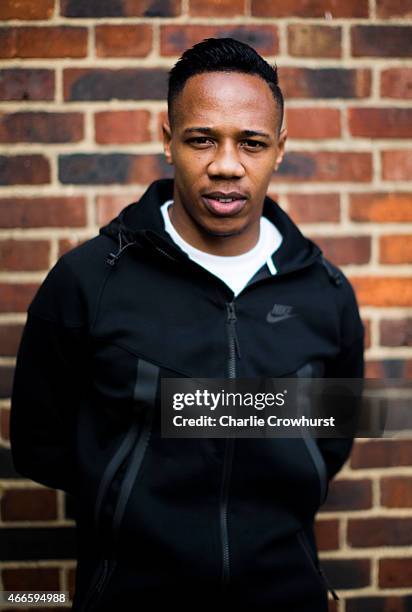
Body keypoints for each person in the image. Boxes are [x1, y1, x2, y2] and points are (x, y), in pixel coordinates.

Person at [10, 38, 364, 611]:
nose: (226, 165)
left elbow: (330, 439)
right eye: (203, 138)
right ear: (168, 142)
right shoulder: (87, 280)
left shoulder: (324, 292)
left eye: (250, 142)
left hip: (285, 592)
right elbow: (38, 445)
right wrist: (129, 491)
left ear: (279, 149)